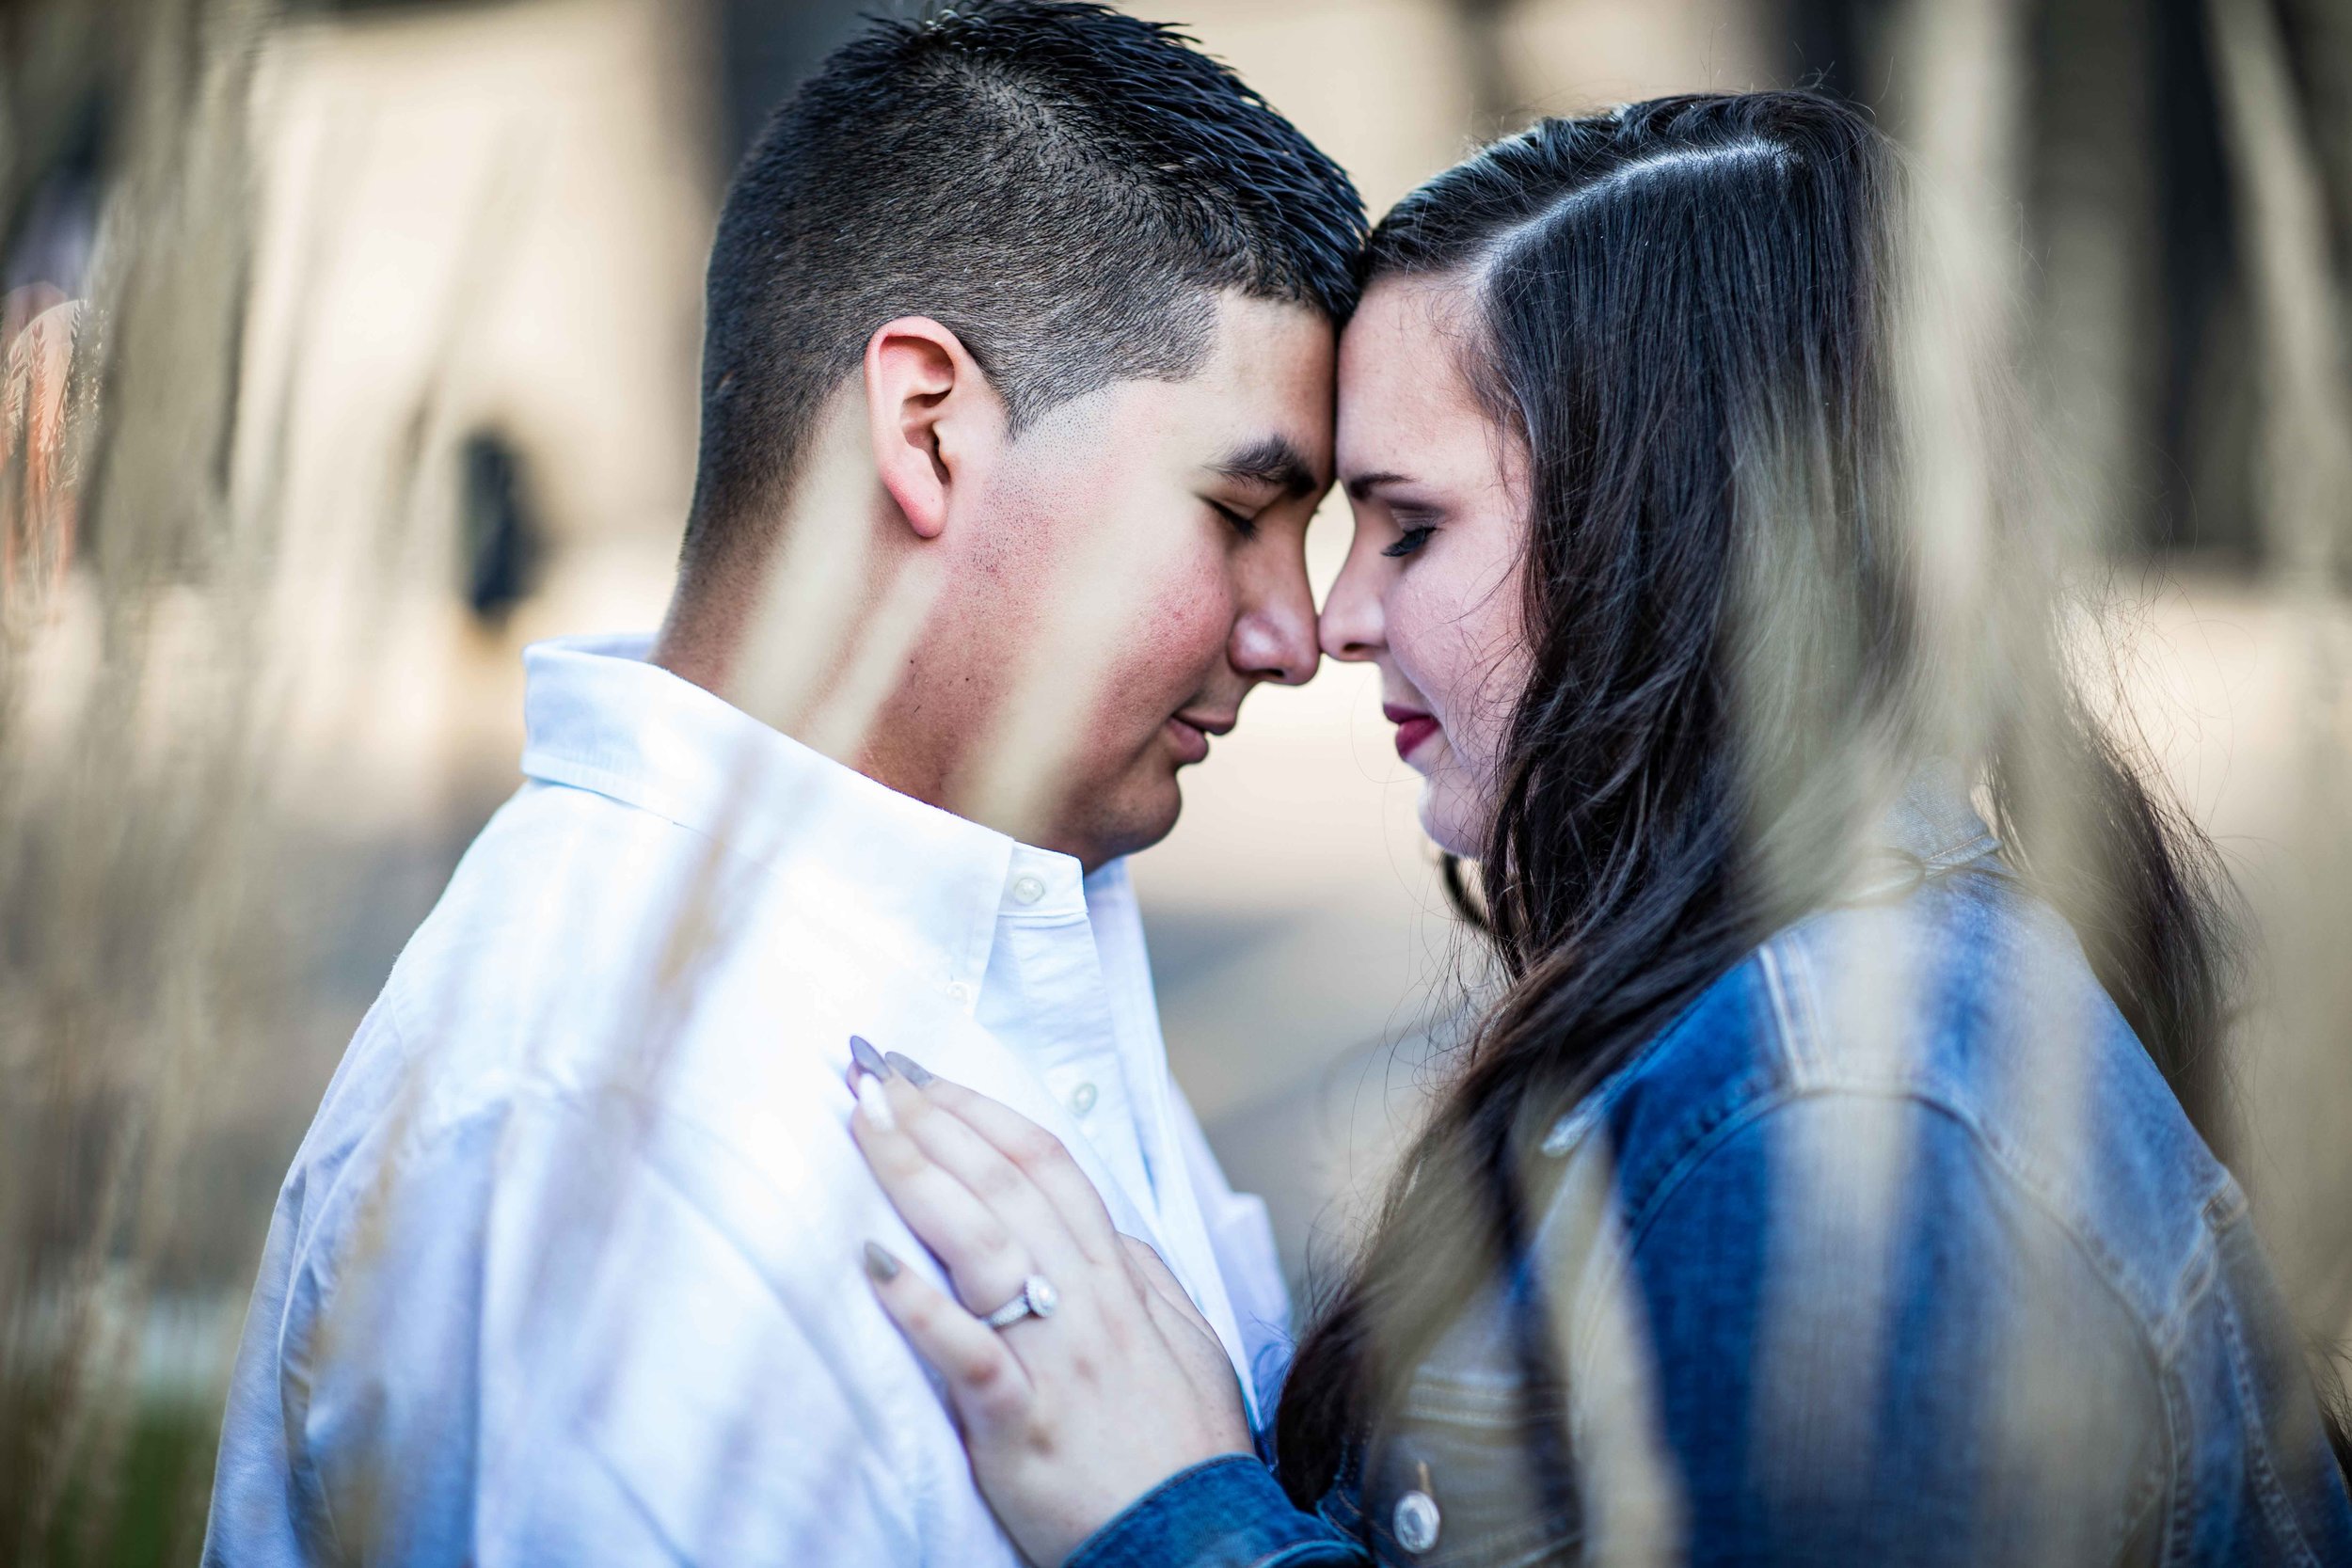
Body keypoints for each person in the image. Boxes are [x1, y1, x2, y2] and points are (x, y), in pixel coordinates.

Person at [846, 92, 2352, 1565]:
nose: (1336, 622)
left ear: (1676, 539)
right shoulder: (1803, 1025)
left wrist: (1173, 1512)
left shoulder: (1838, 1123)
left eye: (1411, 527)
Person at [201, 5, 1362, 1562]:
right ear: (929, 428)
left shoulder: (1004, 889)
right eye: (1239, 510)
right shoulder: (604, 1137)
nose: (1298, 632)